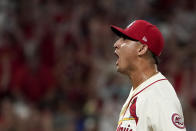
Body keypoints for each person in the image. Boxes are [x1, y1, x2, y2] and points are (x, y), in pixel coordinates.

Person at [110, 20, 186, 131]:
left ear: (142, 49)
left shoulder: (159, 97)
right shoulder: (143, 90)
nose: (116, 44)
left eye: (125, 38)